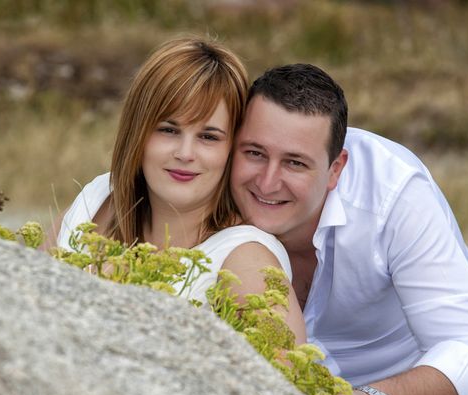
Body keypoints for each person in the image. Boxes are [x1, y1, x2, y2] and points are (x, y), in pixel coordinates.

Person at [230, 63, 468, 395]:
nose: (268, 183)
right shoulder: (212, 181)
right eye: (254, 153)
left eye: (295, 164)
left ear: (336, 168)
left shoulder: (393, 194)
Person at [52, 37, 306, 343]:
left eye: (209, 137)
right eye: (169, 130)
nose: (185, 153)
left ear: (233, 147)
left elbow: (285, 387)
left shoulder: (247, 262)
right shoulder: (96, 199)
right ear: (138, 131)